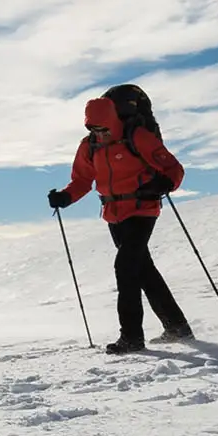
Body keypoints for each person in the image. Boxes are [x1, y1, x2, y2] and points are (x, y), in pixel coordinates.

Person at [48, 93, 193, 354]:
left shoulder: (137, 137)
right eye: (92, 129)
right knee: (143, 270)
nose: (98, 134)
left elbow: (173, 168)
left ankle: (131, 337)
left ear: (113, 122)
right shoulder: (89, 146)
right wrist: (65, 197)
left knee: (125, 267)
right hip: (113, 214)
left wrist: (164, 183)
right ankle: (177, 326)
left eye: (102, 129)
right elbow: (82, 180)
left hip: (143, 209)